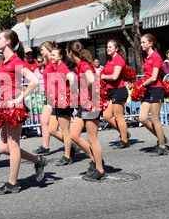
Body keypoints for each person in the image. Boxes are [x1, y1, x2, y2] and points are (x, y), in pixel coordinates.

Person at [0, 29, 47, 194]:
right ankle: (38, 160)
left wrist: (18, 98)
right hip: (4, 106)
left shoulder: (16, 61)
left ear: (8, 41)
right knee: (3, 148)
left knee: (14, 145)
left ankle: (13, 183)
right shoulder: (2, 62)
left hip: (14, 107)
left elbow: (35, 81)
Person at [67, 40, 105, 181]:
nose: (67, 55)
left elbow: (90, 79)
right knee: (74, 135)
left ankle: (100, 169)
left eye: (67, 52)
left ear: (71, 52)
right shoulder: (78, 66)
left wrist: (80, 86)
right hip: (84, 103)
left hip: (91, 103)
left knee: (92, 138)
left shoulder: (84, 65)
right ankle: (96, 159)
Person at [138, 34, 168, 156]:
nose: (141, 44)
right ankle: (161, 137)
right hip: (148, 89)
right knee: (142, 118)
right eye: (141, 42)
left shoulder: (156, 57)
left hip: (155, 89)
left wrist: (141, 85)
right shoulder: (146, 57)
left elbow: (154, 77)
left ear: (151, 43)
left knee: (155, 119)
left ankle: (162, 146)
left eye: (144, 42)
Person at [47, 45, 76, 166]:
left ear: (60, 57)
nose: (51, 56)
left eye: (53, 55)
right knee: (52, 129)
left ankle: (67, 156)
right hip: (57, 102)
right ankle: (71, 146)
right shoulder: (56, 67)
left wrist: (72, 92)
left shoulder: (63, 67)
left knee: (65, 131)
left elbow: (72, 78)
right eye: (51, 54)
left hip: (64, 102)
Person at [101, 39, 129, 148]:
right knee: (107, 116)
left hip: (119, 90)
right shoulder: (109, 60)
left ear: (116, 49)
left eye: (110, 47)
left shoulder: (118, 59)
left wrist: (103, 77)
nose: (108, 48)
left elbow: (114, 76)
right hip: (111, 91)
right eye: (107, 47)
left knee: (118, 117)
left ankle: (124, 140)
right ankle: (124, 132)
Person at [32, 41, 56, 156]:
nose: (41, 52)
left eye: (43, 50)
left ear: (49, 49)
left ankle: (72, 144)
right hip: (49, 95)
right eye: (40, 50)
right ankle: (45, 147)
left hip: (55, 95)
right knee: (44, 121)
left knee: (61, 125)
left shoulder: (54, 61)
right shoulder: (48, 63)